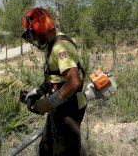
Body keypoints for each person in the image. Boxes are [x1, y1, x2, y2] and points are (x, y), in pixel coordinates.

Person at [20, 8, 87, 156]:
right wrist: (37, 93)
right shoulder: (52, 44)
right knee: (46, 149)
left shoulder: (60, 47)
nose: (34, 39)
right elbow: (55, 77)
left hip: (70, 109)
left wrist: (48, 103)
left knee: (65, 152)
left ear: (41, 29)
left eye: (34, 34)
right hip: (59, 107)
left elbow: (74, 81)